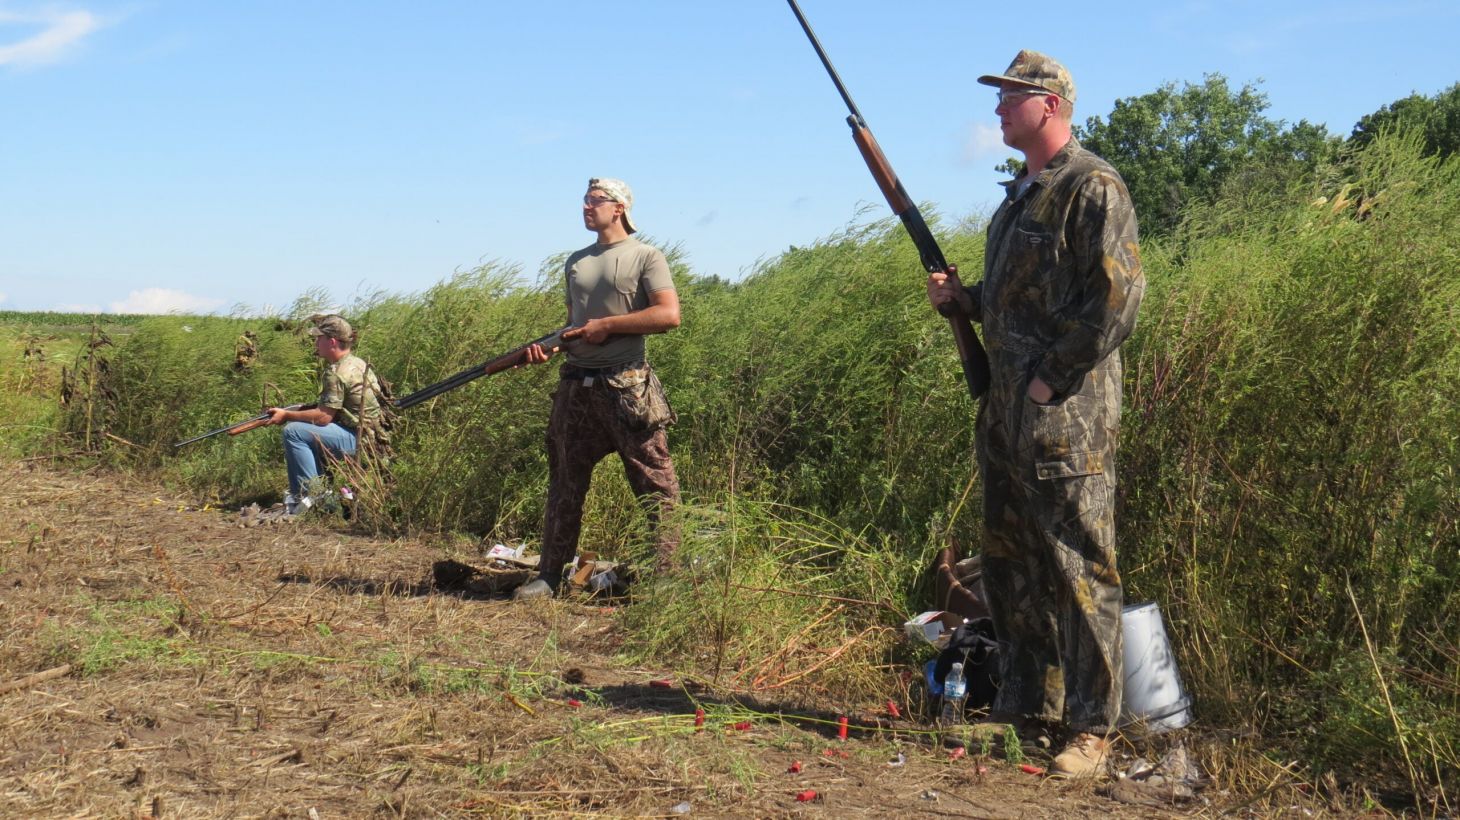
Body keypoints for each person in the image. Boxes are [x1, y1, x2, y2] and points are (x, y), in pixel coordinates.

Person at [926, 50, 1145, 778]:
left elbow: (1116, 301)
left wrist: (1050, 381)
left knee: (1081, 568)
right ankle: (1025, 710)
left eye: (1009, 97)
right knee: (1013, 565)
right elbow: (1015, 299)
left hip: (1066, 418)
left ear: (1049, 105)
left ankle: (1091, 729)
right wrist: (966, 303)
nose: (996, 110)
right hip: (1006, 415)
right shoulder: (1019, 194)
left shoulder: (1093, 185)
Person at [514, 177, 682, 600]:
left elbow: (668, 315)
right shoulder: (577, 261)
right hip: (576, 387)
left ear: (619, 207)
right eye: (585, 200)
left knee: (656, 485)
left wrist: (608, 326)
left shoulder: (646, 256)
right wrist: (550, 348)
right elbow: (574, 325)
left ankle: (668, 581)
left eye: (596, 200)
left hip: (628, 388)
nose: (587, 206)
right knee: (564, 483)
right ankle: (550, 575)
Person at [265, 314, 384, 514]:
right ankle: (305, 497)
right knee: (301, 429)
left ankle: (315, 499)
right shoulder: (357, 363)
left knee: (293, 431)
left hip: (359, 439)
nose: (316, 343)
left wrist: (286, 415)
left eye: (319, 338)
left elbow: (324, 417)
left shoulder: (336, 371)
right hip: (372, 437)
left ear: (332, 341)